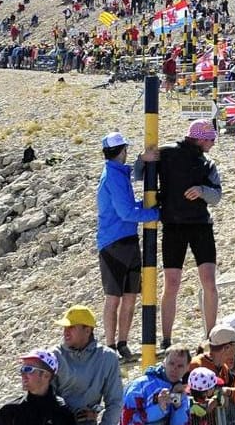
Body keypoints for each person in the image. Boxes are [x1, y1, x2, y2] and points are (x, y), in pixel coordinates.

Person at [147, 119, 224, 346]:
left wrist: (201, 191)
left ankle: (210, 336)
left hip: (200, 224)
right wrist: (143, 159)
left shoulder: (207, 163)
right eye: (211, 139)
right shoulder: (167, 154)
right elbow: (141, 171)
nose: (213, 144)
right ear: (200, 138)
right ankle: (166, 339)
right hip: (174, 226)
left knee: (208, 281)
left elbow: (217, 195)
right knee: (172, 283)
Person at [96, 132, 145, 358]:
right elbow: (126, 212)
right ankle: (111, 346)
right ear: (122, 151)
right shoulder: (113, 176)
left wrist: (142, 206)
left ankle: (121, 344)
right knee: (117, 297)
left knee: (128, 296)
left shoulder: (116, 174)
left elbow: (126, 207)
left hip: (124, 241)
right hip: (115, 243)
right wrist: (153, 212)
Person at [54, 306, 124, 425]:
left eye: (71, 327)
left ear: (87, 330)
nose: (66, 331)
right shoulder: (54, 356)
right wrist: (70, 414)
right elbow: (44, 397)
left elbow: (115, 401)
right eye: (64, 327)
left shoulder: (107, 358)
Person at [0, 348, 78, 425]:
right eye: (22, 369)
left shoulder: (63, 412)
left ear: (46, 375)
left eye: (28, 369)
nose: (23, 374)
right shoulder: (9, 412)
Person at [122, 345, 192, 424]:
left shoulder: (180, 391)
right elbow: (126, 420)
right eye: (171, 363)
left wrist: (178, 407)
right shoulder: (140, 387)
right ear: (164, 363)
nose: (174, 369)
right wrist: (159, 408)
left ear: (187, 367)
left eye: (180, 366)